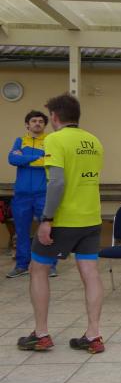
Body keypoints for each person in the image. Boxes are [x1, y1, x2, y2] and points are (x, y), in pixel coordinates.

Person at [17, 94, 106, 354]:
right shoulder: (94, 141)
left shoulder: (55, 140)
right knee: (90, 272)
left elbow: (56, 182)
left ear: (54, 117)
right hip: (91, 218)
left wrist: (47, 219)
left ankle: (41, 334)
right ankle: (94, 335)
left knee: (37, 269)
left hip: (63, 220)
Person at [7, 110, 57, 278]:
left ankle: (50, 265)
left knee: (48, 230)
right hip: (21, 195)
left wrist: (25, 158)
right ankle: (22, 265)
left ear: (44, 125)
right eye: (34, 121)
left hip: (43, 194)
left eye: (41, 121)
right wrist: (37, 157)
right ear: (27, 125)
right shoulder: (20, 141)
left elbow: (50, 160)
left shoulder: (50, 140)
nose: (37, 123)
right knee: (21, 231)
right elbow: (12, 159)